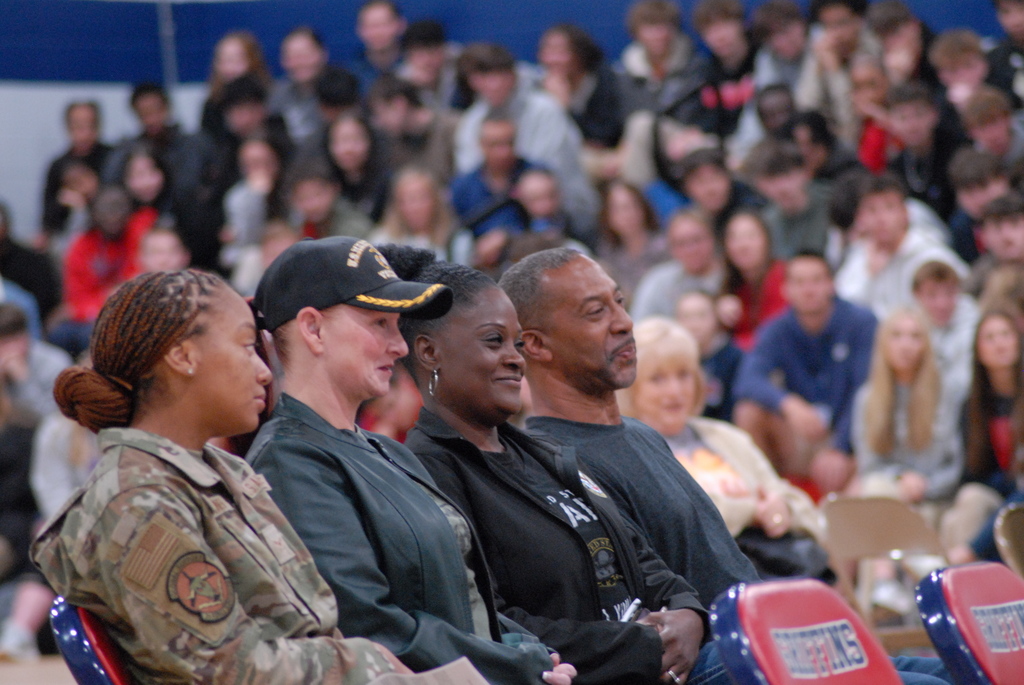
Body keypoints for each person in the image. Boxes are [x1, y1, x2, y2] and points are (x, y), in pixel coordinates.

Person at [499, 249, 954, 684]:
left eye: (619, 301)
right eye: (596, 312)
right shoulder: (552, 462)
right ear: (536, 344)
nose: (624, 321)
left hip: (778, 629)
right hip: (733, 655)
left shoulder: (641, 433)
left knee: (964, 669)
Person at [31, 269, 411, 683]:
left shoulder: (218, 469)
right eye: (247, 347)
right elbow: (228, 671)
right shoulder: (139, 500)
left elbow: (303, 626)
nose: (264, 371)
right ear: (183, 357)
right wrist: (366, 661)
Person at [245, 237, 574, 684]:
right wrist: (517, 667)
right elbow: (367, 626)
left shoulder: (388, 451)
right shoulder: (290, 464)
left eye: (397, 326)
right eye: (379, 323)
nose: (399, 346)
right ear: (313, 329)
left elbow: (462, 601)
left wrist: (532, 652)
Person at [395, 250, 727, 685]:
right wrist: (640, 646)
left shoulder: (544, 452)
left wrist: (687, 613)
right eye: (494, 341)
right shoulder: (425, 472)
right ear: (429, 351)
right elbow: (488, 623)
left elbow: (641, 558)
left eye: (516, 343)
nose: (516, 358)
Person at [619, 318, 824, 575]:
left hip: (772, 566)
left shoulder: (728, 437)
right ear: (631, 388)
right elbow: (677, 523)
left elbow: (799, 505)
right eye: (657, 379)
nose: (675, 391)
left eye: (683, 375)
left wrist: (782, 510)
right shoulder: (629, 451)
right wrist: (752, 512)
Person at [733, 252, 876, 495]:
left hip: (854, 437)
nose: (808, 290)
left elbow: (865, 390)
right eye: (799, 282)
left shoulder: (861, 323)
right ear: (785, 290)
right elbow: (747, 380)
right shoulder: (777, 329)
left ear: (832, 284)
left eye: (816, 280)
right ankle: (767, 496)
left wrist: (841, 447)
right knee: (747, 411)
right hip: (803, 433)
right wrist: (788, 404)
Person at [850, 307, 964, 516]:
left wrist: (925, 486)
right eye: (896, 336)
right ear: (883, 344)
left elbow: (955, 463)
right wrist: (900, 478)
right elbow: (868, 466)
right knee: (874, 487)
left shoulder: (947, 392)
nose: (906, 345)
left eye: (915, 336)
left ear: (927, 344)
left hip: (936, 498)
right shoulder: (867, 398)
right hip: (890, 494)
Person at [943, 309, 1024, 562]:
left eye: (1005, 335)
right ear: (978, 351)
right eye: (990, 337)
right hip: (1000, 496)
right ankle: (963, 575)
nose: (999, 343)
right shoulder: (973, 406)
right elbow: (973, 474)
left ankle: (965, 557)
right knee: (970, 499)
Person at [836, 173, 966, 320]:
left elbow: (963, 297)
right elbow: (842, 308)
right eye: (872, 210)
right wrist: (869, 275)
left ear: (905, 213)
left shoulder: (929, 252)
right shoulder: (860, 254)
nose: (881, 219)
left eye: (889, 208)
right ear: (861, 218)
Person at [630, 210, 724, 321]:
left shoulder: (730, 276)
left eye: (697, 240)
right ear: (671, 249)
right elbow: (638, 323)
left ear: (712, 238)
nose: (691, 250)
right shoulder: (657, 281)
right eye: (681, 243)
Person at [40, 101, 111, 246]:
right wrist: (62, 203)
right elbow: (47, 219)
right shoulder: (58, 165)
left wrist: (93, 194)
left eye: (90, 125)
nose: (84, 133)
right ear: (68, 127)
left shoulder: (111, 158)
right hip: (68, 239)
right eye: (78, 126)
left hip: (108, 236)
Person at [370, 166, 473, 265]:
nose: (416, 208)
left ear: (435, 200)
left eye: (422, 198)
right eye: (409, 200)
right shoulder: (381, 242)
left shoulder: (458, 241)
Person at [716, 211, 787, 351]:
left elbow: (774, 337)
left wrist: (729, 346)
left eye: (751, 236)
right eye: (734, 238)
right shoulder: (731, 285)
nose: (743, 245)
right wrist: (718, 317)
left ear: (767, 241)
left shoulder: (783, 276)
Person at [594, 181, 667, 307]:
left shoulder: (664, 246)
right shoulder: (607, 253)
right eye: (617, 209)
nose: (626, 215)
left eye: (630, 207)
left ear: (643, 208)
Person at [675, 291, 743, 422]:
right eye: (686, 317)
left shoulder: (734, 358)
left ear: (716, 317)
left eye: (701, 316)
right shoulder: (671, 360)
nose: (694, 324)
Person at [201, 31, 272, 139]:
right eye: (223, 61)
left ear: (253, 61)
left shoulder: (269, 97)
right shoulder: (212, 105)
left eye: (237, 60)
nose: (229, 68)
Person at [945, 147, 1010, 264]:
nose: (979, 199)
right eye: (968, 191)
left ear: (1003, 180)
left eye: (984, 186)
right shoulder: (961, 228)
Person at [269, 27, 330, 147]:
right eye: (292, 57)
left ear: (323, 53)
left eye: (305, 55)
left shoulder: (340, 89)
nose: (300, 63)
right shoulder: (278, 94)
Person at [965, 192, 1024, 298]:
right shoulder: (979, 279)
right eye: (997, 227)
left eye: (1014, 224)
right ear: (983, 236)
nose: (1006, 235)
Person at [348, 0, 407, 93]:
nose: (378, 33)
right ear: (359, 30)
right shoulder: (352, 73)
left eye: (384, 25)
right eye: (370, 26)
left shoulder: (416, 66)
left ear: (401, 25)